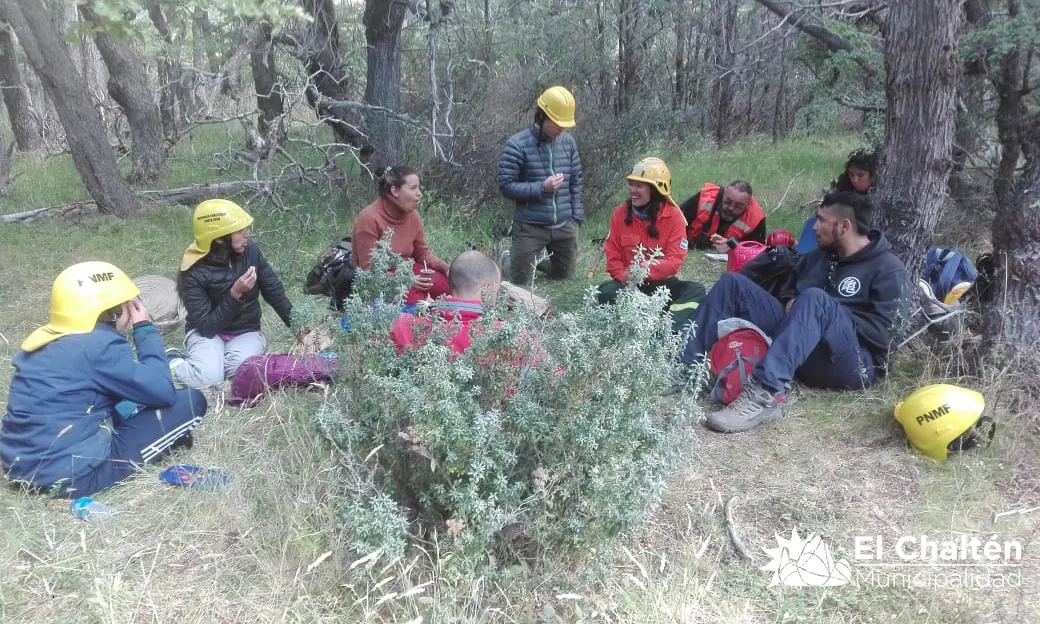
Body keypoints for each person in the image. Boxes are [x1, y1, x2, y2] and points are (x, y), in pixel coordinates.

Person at [680, 191, 907, 434]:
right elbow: (789, 292)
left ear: (844, 226)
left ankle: (763, 394)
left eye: (821, 220)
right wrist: (792, 303)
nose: (814, 227)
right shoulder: (817, 257)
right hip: (799, 349)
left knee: (815, 300)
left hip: (850, 364)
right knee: (733, 283)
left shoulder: (888, 268)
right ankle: (685, 369)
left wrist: (827, 315)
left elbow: (888, 336)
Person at [1, 262, 207, 496]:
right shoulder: (100, 344)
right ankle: (162, 444)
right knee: (191, 401)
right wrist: (144, 329)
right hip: (71, 479)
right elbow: (164, 391)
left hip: (18, 468)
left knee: (129, 402)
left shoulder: (42, 341)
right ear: (114, 311)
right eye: (128, 304)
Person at [169, 199, 293, 387]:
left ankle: (216, 361)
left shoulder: (250, 251)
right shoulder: (193, 270)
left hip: (246, 331)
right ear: (219, 238)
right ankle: (174, 363)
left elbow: (274, 291)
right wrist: (235, 293)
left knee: (241, 374)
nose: (247, 234)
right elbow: (207, 327)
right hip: (207, 333)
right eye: (240, 231)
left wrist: (300, 328)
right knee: (209, 378)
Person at [596, 157, 705, 332]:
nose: (633, 190)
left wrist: (641, 269)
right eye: (631, 184)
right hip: (628, 287)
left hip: (662, 287)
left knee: (695, 290)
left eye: (639, 185)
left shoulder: (675, 217)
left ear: (655, 190)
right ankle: (647, 315)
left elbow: (674, 261)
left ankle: (670, 330)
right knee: (604, 291)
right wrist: (625, 276)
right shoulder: (619, 214)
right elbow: (613, 258)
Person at [499, 86, 584, 285]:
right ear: (542, 116)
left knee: (564, 275)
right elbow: (506, 185)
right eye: (557, 123)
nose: (562, 129)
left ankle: (536, 262)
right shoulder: (517, 144)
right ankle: (510, 260)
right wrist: (541, 188)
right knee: (520, 282)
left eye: (565, 124)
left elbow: (576, 180)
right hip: (530, 226)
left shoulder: (568, 143)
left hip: (564, 224)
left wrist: (576, 218)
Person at [352, 166, 452, 306]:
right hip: (382, 285)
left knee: (452, 287)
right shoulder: (369, 219)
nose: (419, 194)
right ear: (395, 191)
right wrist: (407, 281)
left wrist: (446, 268)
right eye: (413, 188)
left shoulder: (413, 216)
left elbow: (422, 254)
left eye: (418, 188)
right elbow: (369, 272)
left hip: (409, 273)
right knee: (420, 305)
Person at [390, 250, 502, 355]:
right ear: (487, 288)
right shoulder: (502, 337)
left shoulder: (402, 326)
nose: (496, 297)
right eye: (496, 291)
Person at [797, 149, 876, 254]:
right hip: (838, 224)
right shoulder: (844, 188)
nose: (855, 180)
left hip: (856, 231)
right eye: (851, 175)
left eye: (860, 175)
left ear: (872, 176)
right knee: (813, 223)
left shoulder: (879, 195)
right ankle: (803, 255)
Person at [681, 180, 766, 252]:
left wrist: (734, 245)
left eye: (738, 206)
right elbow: (675, 223)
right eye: (728, 201)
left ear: (748, 204)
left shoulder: (755, 217)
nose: (731, 208)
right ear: (724, 193)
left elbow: (757, 250)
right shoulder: (705, 198)